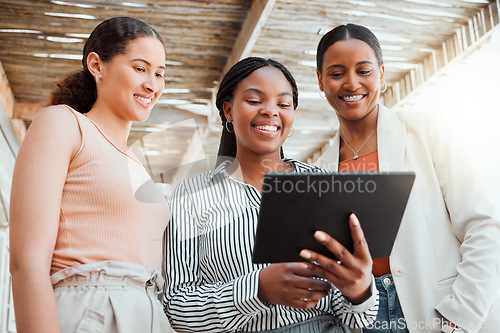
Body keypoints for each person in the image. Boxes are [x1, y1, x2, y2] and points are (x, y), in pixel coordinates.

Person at [163, 56, 379, 333]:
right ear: (228, 111)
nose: (270, 111)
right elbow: (177, 310)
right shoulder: (191, 196)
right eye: (254, 101)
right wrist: (258, 288)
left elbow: (357, 318)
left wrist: (360, 291)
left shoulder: (323, 186)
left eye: (283, 103)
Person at [313, 23, 500, 333]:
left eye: (364, 71)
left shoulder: (427, 132)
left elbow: (482, 226)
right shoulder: (320, 170)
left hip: (441, 306)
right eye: (336, 74)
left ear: (382, 74)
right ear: (320, 81)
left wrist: (460, 315)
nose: (351, 83)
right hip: (365, 317)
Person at [9, 17, 173, 333]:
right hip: (92, 309)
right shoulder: (64, 124)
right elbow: (26, 261)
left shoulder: (139, 165)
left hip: (150, 313)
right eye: (140, 69)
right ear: (97, 66)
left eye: (159, 73)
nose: (152, 84)